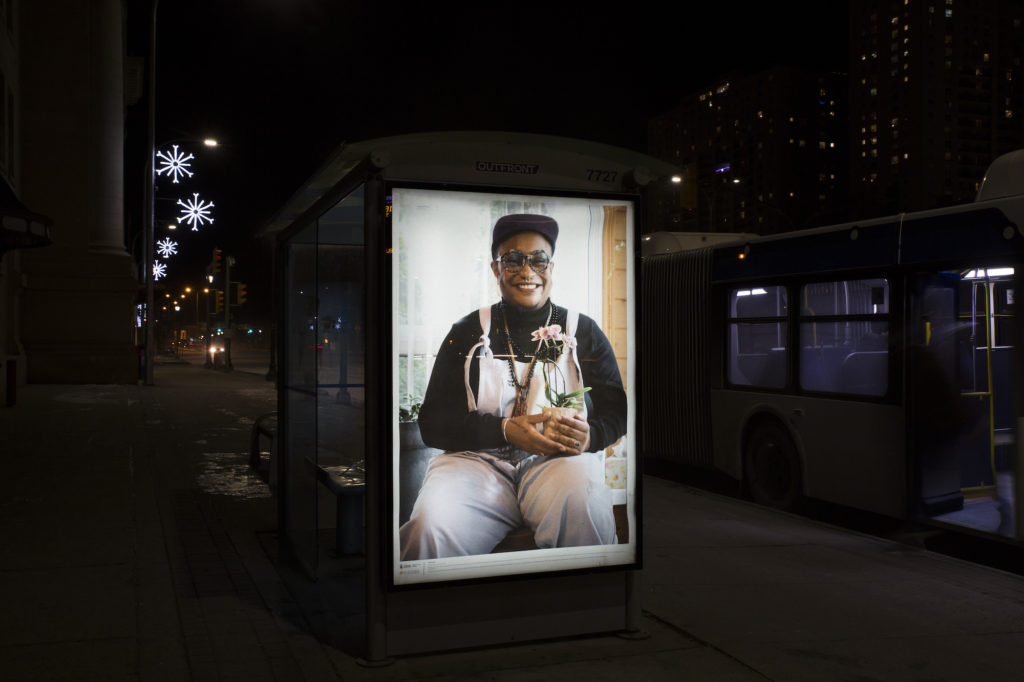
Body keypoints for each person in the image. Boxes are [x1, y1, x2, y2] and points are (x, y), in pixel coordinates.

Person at [399, 213, 627, 559]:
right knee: (431, 525)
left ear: (552, 267)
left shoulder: (583, 331)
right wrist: (504, 430)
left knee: (584, 505)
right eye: (513, 260)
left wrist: (591, 436)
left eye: (539, 260)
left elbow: (615, 411)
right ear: (495, 269)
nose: (527, 271)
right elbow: (431, 424)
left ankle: (586, 608)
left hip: (557, 461)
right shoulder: (467, 331)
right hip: (475, 464)